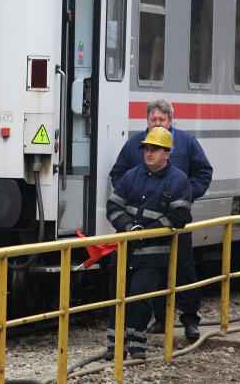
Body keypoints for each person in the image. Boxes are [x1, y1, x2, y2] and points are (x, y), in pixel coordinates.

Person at [110, 99, 212, 340]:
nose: (157, 123)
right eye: (153, 119)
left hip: (175, 224)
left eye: (162, 119)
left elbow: (204, 172)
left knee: (183, 269)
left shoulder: (186, 142)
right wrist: (131, 199)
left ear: (170, 121)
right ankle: (160, 320)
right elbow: (118, 174)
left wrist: (185, 196)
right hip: (140, 227)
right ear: (146, 121)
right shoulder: (134, 144)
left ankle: (190, 319)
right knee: (149, 273)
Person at [104, 126, 192, 360]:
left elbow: (180, 216)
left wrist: (147, 232)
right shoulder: (131, 176)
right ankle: (114, 345)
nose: (149, 153)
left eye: (155, 149)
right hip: (125, 250)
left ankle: (137, 347)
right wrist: (129, 228)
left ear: (167, 153)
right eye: (146, 148)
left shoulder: (178, 181)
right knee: (117, 297)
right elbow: (113, 207)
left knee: (140, 299)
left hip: (153, 255)